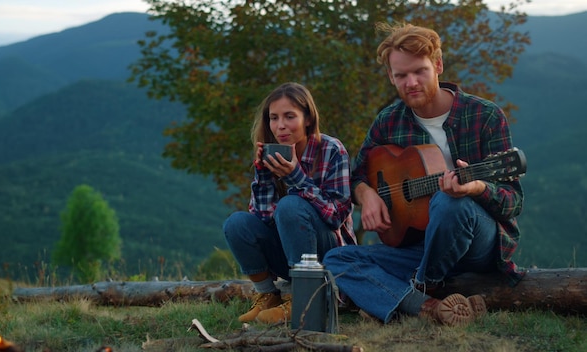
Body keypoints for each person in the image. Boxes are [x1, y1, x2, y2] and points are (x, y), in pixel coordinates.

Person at [323, 23, 525, 326]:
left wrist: (475, 187)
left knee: (449, 203)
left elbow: (513, 202)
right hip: (418, 247)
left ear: (439, 66)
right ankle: (429, 307)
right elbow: (356, 175)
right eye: (401, 75)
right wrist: (367, 196)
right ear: (391, 76)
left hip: (476, 247)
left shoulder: (485, 116)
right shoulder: (389, 121)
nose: (411, 82)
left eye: (420, 71)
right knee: (336, 260)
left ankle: (413, 290)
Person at [223, 82, 356, 324]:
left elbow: (337, 216)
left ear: (307, 119)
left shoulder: (331, 150)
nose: (280, 125)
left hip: (330, 254)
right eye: (274, 118)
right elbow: (262, 219)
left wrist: (295, 176)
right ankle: (268, 296)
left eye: (289, 116)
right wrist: (263, 175)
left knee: (291, 205)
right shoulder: (275, 152)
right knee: (237, 224)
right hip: (290, 252)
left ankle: (305, 300)